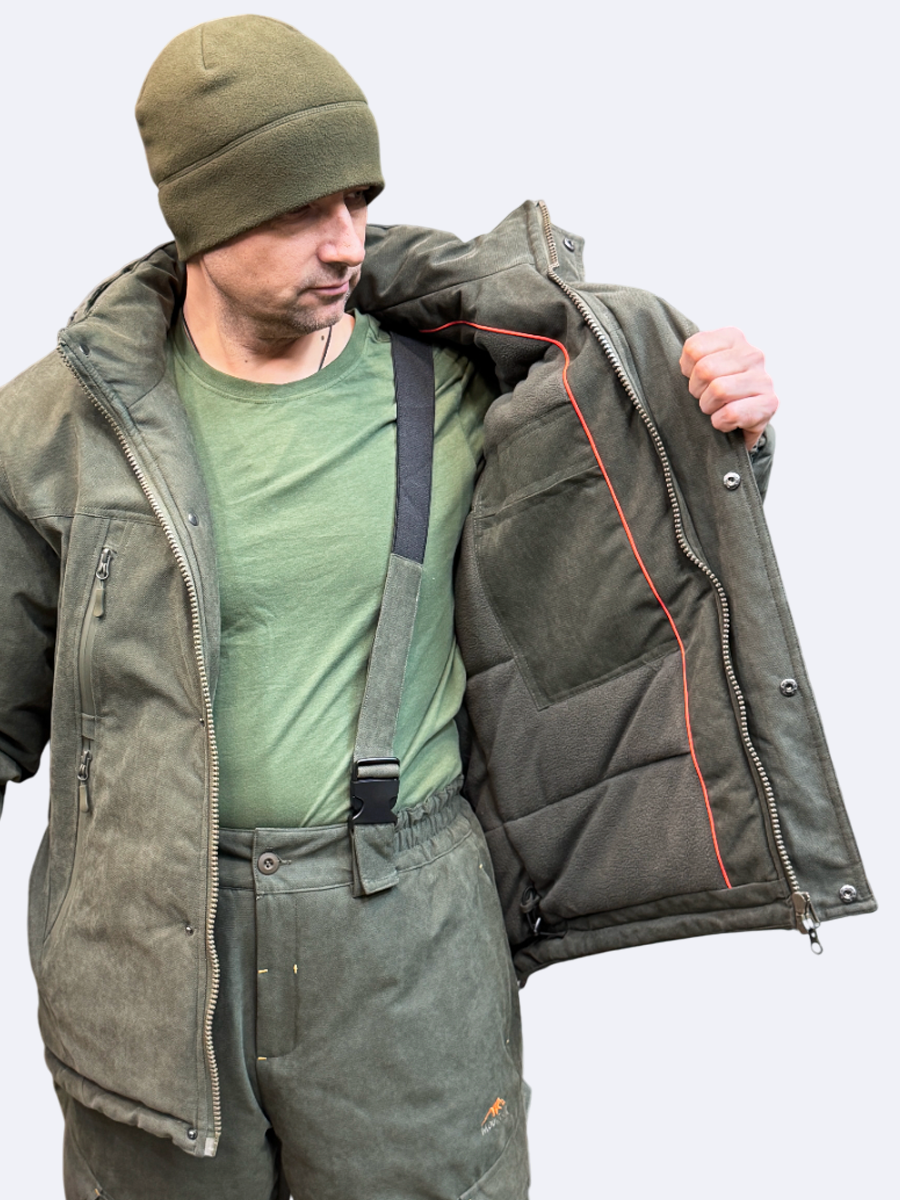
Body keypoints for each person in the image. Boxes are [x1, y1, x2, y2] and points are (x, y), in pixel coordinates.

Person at [0, 14, 875, 1200]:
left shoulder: (456, 385)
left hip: (405, 936)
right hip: (147, 952)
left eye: (358, 200)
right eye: (298, 209)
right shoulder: (52, 427)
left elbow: (633, 542)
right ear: (200, 218)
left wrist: (728, 428)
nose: (344, 242)